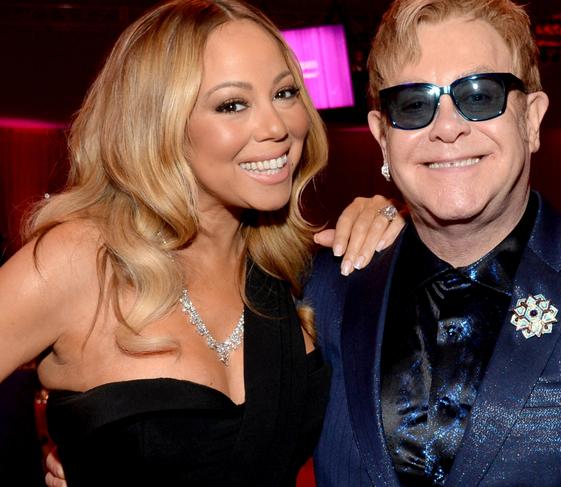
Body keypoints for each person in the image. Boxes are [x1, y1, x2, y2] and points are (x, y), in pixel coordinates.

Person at [0, 1, 404, 486]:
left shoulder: (297, 272)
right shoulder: (82, 260)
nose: (276, 127)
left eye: (284, 92)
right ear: (160, 123)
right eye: (232, 104)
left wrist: (396, 216)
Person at [307, 0, 561, 485]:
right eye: (414, 104)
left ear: (531, 120)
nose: (447, 128)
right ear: (382, 138)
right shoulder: (328, 288)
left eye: (481, 94)